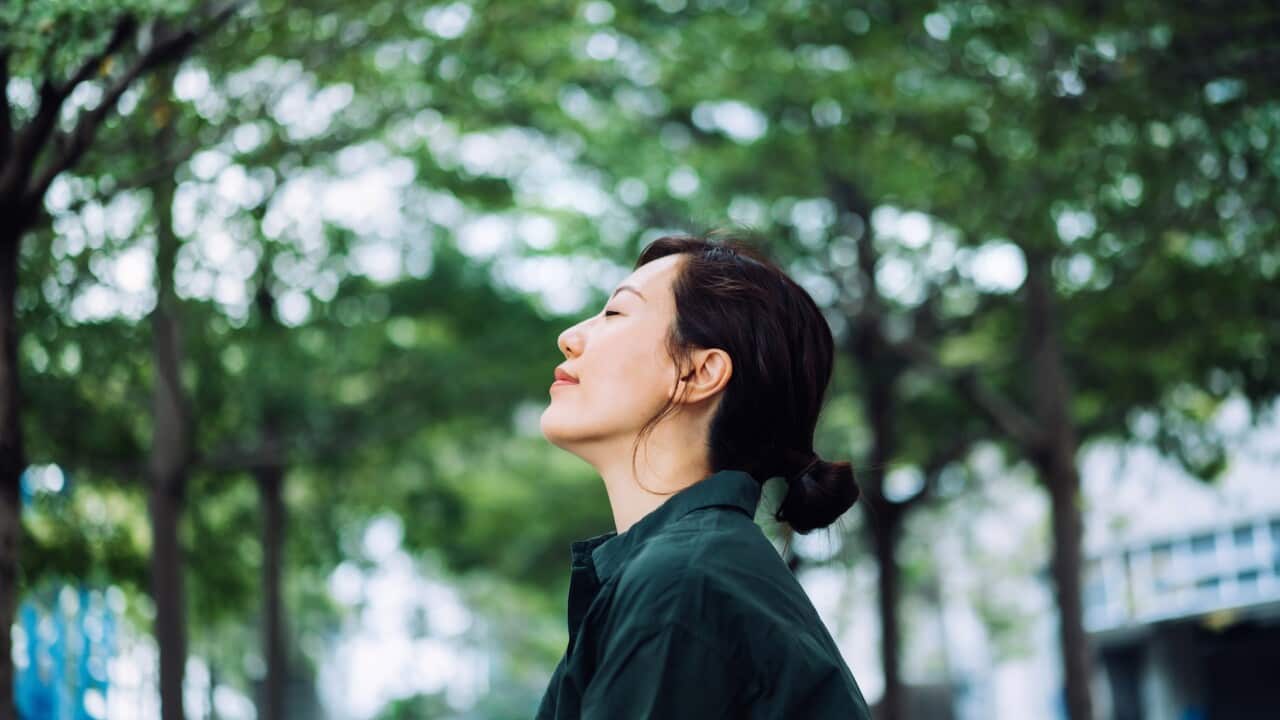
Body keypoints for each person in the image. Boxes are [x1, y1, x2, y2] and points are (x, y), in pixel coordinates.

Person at [536, 232, 872, 719]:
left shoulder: (682, 583)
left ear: (698, 373)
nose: (569, 337)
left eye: (614, 314)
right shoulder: (690, 568)